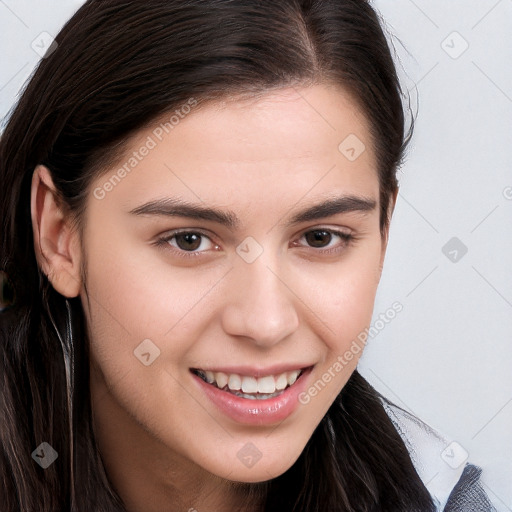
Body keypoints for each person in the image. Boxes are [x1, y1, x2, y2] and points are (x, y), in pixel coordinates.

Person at [0, 1, 496, 511]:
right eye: (189, 240)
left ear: (383, 230)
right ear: (59, 236)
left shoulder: (436, 496)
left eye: (321, 237)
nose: (265, 323)